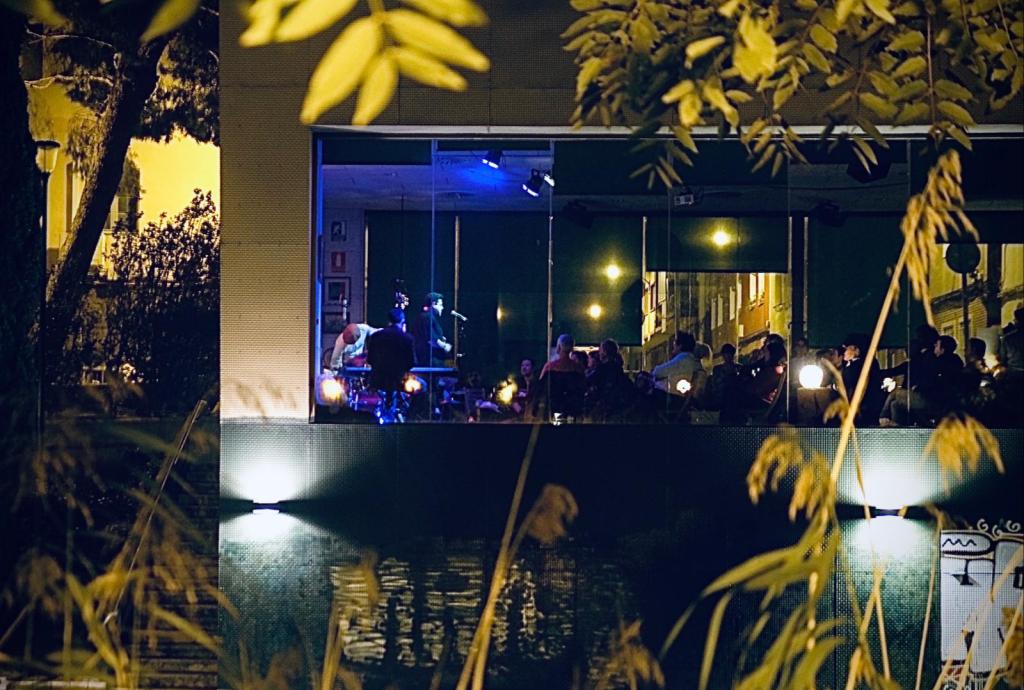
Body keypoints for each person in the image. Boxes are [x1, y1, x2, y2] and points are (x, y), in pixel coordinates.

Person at [366, 308, 415, 393]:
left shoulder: (375, 336)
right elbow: (411, 362)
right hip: (399, 380)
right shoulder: (407, 338)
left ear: (389, 320)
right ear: (403, 321)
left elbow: (370, 359)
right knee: (423, 386)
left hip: (378, 380)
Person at [840, 332, 884, 423]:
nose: (844, 352)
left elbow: (849, 382)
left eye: (846, 349)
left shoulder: (861, 365)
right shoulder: (864, 363)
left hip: (862, 408)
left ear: (856, 350)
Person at [539, 334, 586, 419]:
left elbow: (541, 388)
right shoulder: (578, 368)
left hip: (554, 409)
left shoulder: (550, 366)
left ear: (559, 347)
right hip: (573, 410)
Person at [651, 331, 702, 395]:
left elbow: (658, 372)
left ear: (680, 346)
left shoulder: (683, 359)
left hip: (671, 396)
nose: (673, 345)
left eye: (675, 343)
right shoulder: (693, 360)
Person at [412, 292, 452, 366]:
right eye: (440, 305)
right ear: (433, 304)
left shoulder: (427, 317)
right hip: (430, 359)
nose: (442, 308)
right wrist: (445, 346)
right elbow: (431, 339)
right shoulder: (427, 317)